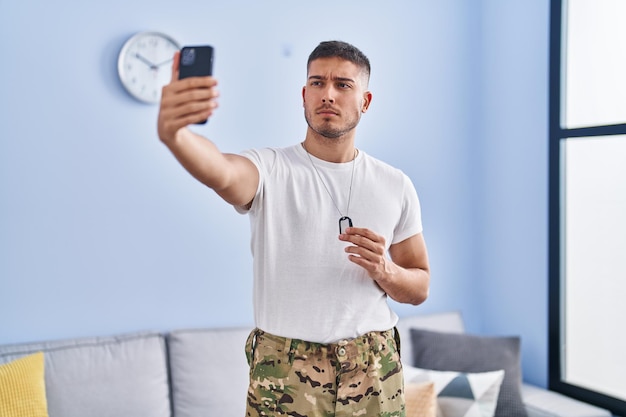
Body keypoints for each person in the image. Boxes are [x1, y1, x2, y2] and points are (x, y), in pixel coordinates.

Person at [157, 40, 430, 417]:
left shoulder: (395, 184)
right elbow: (221, 171)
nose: (327, 94)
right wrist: (177, 136)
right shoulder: (270, 169)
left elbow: (419, 287)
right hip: (285, 373)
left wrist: (385, 270)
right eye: (317, 83)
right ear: (304, 95)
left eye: (343, 85)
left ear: (365, 101)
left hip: (373, 368)